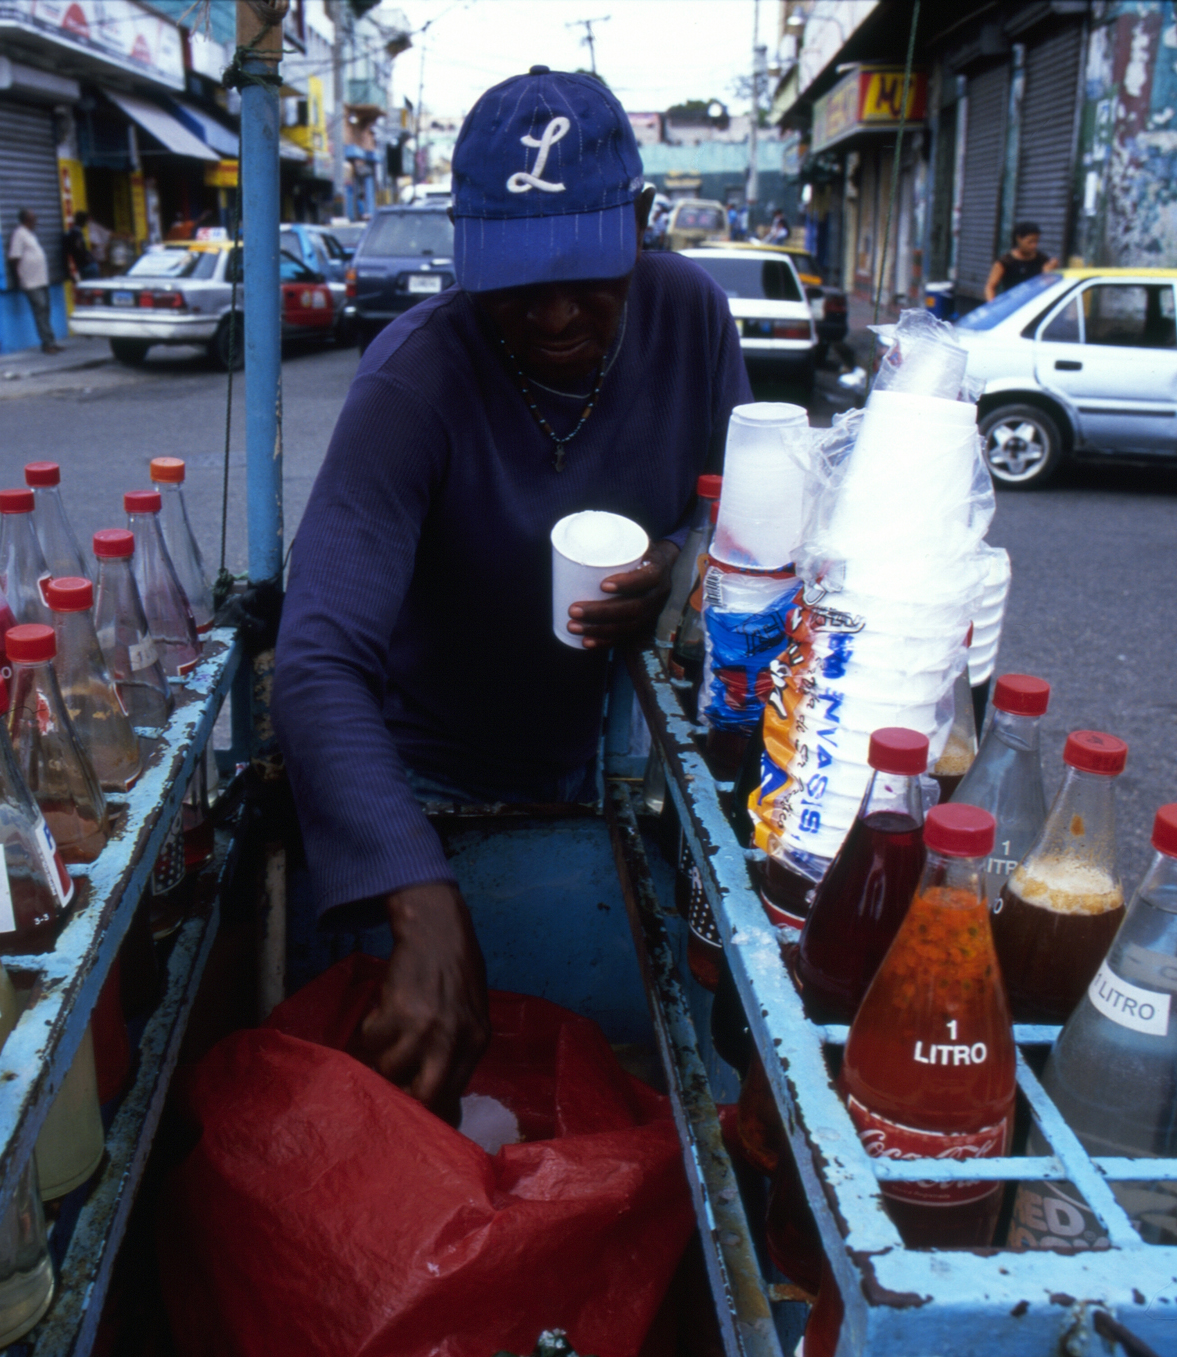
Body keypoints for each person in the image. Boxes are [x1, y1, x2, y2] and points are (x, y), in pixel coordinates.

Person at [273, 68, 751, 1121]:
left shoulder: (692, 319)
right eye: (515, 277)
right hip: (424, 775)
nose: (551, 311)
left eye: (586, 271)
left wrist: (675, 562)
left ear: (636, 226)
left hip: (611, 759)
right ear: (464, 249)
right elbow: (315, 658)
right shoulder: (414, 379)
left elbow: (737, 521)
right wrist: (416, 888)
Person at [6, 209, 61, 355]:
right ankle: (47, 344)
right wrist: (18, 278)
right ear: (26, 220)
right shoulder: (19, 234)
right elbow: (14, 257)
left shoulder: (30, 234)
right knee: (40, 310)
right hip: (30, 281)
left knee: (46, 310)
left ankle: (51, 341)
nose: (36, 221)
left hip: (41, 279)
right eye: (33, 218)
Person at [985, 220, 1059, 301]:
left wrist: (1049, 273)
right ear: (1019, 239)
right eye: (1030, 242)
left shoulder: (1042, 259)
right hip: (1012, 304)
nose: (1034, 245)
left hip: (1035, 303)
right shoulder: (1006, 261)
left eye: (1036, 241)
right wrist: (993, 306)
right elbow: (990, 287)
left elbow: (1049, 286)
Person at [62, 209, 98, 281]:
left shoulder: (70, 233)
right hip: (86, 265)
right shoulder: (77, 234)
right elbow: (79, 249)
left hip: (81, 265)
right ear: (83, 222)